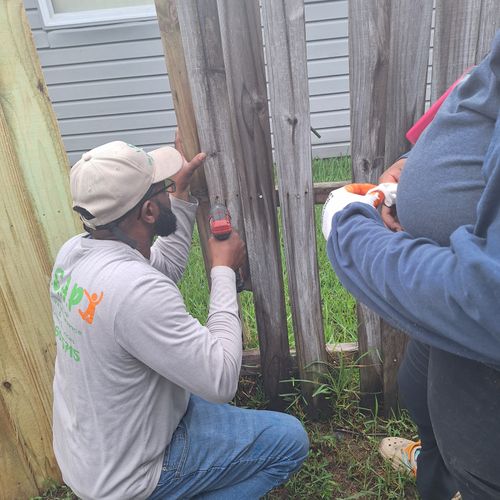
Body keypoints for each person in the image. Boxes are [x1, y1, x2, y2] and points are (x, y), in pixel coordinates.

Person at [50, 136, 309, 500]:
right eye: (161, 187)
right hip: (131, 477)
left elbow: (162, 268)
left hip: (92, 455)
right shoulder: (134, 291)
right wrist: (222, 270)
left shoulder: (74, 254)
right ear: (149, 212)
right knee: (289, 442)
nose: (167, 187)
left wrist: (181, 195)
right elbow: (220, 380)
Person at [322, 31, 500, 500]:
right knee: (418, 385)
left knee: (473, 443)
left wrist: (350, 234)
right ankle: (436, 465)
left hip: (484, 372)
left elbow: (488, 300)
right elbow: (462, 106)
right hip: (444, 320)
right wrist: (413, 167)